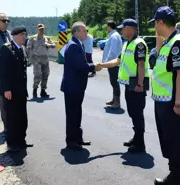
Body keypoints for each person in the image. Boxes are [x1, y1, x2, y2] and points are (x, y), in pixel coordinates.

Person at [149, 6, 180, 185]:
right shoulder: (169, 42)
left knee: (175, 141)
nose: (155, 28)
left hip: (172, 103)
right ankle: (174, 176)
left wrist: (177, 104)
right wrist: (159, 40)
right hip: (164, 101)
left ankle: (176, 178)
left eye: (155, 24)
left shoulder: (177, 44)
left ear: (161, 22)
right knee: (168, 140)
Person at [98, 19, 150, 153]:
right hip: (129, 84)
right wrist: (102, 65)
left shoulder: (139, 44)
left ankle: (140, 144)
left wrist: (139, 84)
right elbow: (117, 60)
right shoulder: (127, 43)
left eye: (123, 28)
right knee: (133, 113)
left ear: (131, 28)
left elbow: (141, 64)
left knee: (137, 114)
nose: (121, 31)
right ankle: (137, 138)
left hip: (137, 85)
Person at [60, 21, 101, 150]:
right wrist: (94, 66)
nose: (86, 33)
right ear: (76, 32)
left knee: (77, 112)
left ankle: (77, 138)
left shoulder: (78, 44)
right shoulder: (73, 46)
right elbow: (79, 66)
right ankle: (71, 141)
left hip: (77, 86)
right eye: (84, 31)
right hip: (73, 87)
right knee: (72, 114)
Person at [0, 26, 33, 152]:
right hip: (10, 90)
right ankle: (12, 144)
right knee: (12, 118)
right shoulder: (6, 49)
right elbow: (3, 71)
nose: (24, 37)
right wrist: (6, 89)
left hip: (21, 90)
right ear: (14, 36)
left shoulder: (22, 49)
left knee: (22, 117)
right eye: (22, 34)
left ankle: (21, 140)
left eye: (25, 34)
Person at [27, 24, 56, 98]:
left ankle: (43, 91)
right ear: (37, 29)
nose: (41, 30)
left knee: (45, 74)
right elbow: (28, 48)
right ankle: (35, 90)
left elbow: (54, 45)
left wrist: (48, 45)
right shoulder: (33, 38)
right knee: (38, 74)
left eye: (42, 29)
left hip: (45, 59)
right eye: (40, 29)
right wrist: (29, 59)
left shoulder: (47, 38)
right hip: (36, 59)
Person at [102, 20, 123, 108]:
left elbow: (112, 51)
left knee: (114, 82)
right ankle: (114, 99)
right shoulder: (114, 35)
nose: (107, 28)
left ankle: (117, 102)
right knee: (113, 82)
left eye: (107, 26)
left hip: (113, 63)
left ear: (109, 26)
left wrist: (106, 63)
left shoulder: (114, 36)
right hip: (113, 63)